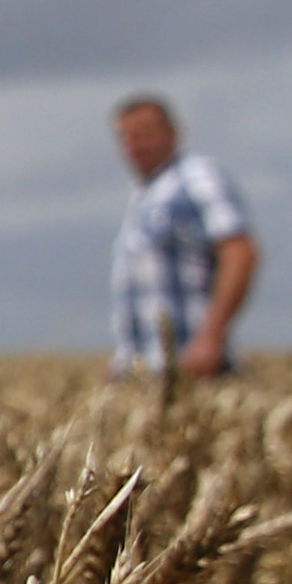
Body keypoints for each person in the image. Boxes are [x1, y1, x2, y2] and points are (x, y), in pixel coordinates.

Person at [107, 92, 255, 379]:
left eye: (145, 134)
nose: (135, 146)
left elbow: (239, 251)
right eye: (126, 137)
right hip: (145, 371)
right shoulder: (144, 194)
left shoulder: (196, 179)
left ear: (173, 133)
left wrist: (210, 337)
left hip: (189, 366)